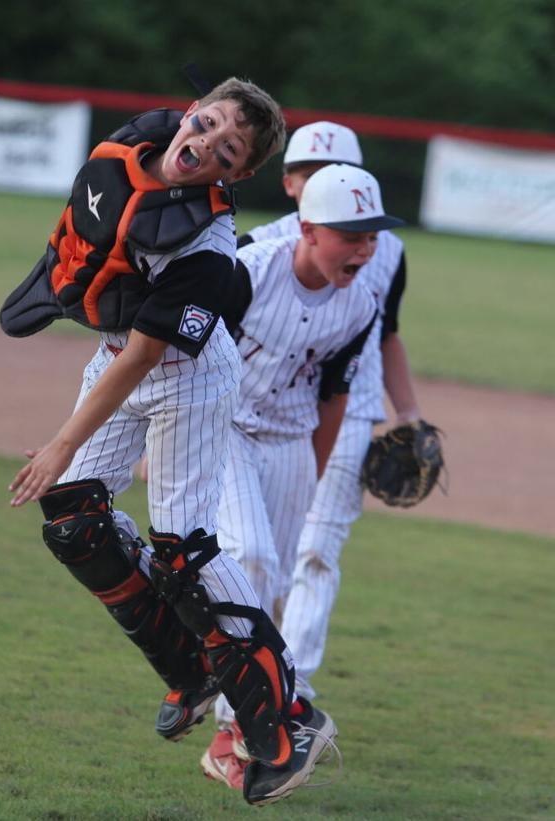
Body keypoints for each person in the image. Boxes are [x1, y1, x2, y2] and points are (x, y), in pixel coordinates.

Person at [3, 79, 337, 807]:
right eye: (207, 123)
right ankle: (190, 669)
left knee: (183, 546)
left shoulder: (209, 247)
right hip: (125, 350)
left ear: (237, 173)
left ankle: (289, 718)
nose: (205, 144)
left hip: (186, 374)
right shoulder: (139, 141)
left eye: (229, 149)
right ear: (188, 113)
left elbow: (145, 359)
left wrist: (62, 441)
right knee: (72, 518)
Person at [199, 160, 405, 789]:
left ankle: (230, 735)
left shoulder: (362, 301)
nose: (365, 248)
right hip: (224, 426)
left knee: (277, 588)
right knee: (252, 558)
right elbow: (181, 354)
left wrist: (312, 474)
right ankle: (233, 709)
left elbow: (333, 396)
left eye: (372, 235)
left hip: (290, 440)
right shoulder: (249, 272)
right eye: (351, 234)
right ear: (310, 229)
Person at [235, 120, 420, 720]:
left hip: (350, 407)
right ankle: (251, 680)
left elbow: (386, 336)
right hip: (265, 414)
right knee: (260, 558)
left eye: (338, 172)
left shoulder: (383, 251)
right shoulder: (261, 249)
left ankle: (295, 685)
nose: (324, 181)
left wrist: (409, 413)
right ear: (292, 184)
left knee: (314, 553)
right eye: (311, 172)